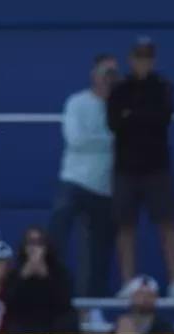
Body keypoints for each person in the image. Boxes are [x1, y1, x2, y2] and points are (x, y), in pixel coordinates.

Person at [107, 36, 174, 296]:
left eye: (147, 57)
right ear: (131, 60)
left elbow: (162, 118)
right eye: (139, 57)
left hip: (157, 168)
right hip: (125, 169)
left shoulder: (163, 87)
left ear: (153, 60)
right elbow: (114, 123)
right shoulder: (119, 89)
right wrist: (140, 116)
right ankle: (128, 283)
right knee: (125, 227)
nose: (143, 62)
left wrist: (133, 115)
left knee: (167, 225)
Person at [49, 54, 118, 301]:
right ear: (94, 76)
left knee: (98, 252)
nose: (109, 79)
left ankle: (91, 303)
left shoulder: (119, 107)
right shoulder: (76, 103)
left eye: (113, 74)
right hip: (74, 182)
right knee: (56, 239)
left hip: (104, 189)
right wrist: (110, 139)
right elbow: (75, 139)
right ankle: (51, 290)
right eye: (105, 73)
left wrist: (101, 140)